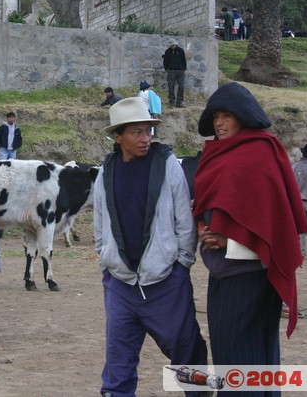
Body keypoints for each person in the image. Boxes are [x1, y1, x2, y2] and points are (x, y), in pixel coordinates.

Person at [94, 97, 208, 396]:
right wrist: (106, 260)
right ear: (117, 137)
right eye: (137, 132)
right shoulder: (106, 171)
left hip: (165, 281)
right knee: (118, 359)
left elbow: (184, 217)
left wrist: (181, 265)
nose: (145, 139)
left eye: (149, 131)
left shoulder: (166, 165)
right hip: (120, 283)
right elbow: (99, 220)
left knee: (186, 351)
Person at [193, 82, 307, 377]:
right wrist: (205, 230)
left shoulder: (260, 153)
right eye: (215, 117)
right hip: (222, 274)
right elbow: (208, 204)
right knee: (234, 356)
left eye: (226, 116)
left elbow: (274, 226)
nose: (218, 123)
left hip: (251, 276)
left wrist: (228, 243)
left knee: (242, 357)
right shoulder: (218, 153)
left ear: (242, 116)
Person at [162, 39, 186, 108]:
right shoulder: (167, 52)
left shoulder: (180, 50)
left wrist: (183, 69)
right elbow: (165, 61)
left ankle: (179, 102)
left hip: (180, 71)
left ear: (175, 44)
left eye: (173, 45)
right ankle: (172, 102)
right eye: (171, 45)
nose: (172, 46)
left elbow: (184, 60)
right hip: (171, 71)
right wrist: (167, 69)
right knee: (171, 87)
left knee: (181, 86)